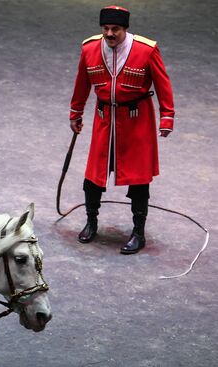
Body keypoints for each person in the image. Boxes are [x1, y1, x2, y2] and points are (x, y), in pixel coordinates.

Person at [69, 6, 175, 254]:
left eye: (115, 29)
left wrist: (167, 116)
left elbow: (162, 83)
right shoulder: (90, 48)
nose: (109, 33)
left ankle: (138, 232)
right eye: (105, 29)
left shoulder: (146, 50)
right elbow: (81, 83)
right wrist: (76, 112)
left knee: (139, 178)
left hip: (136, 120)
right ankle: (91, 221)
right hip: (104, 118)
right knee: (93, 174)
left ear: (125, 29)